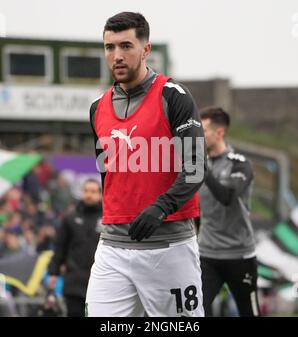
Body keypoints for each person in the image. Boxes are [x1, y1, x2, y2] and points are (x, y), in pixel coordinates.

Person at [86, 12, 206, 317]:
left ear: (146, 49)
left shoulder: (174, 97)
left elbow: (195, 166)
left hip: (169, 247)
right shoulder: (97, 108)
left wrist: (161, 206)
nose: (117, 56)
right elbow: (107, 174)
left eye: (126, 45)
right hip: (112, 247)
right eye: (109, 47)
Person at [198, 106, 260, 317]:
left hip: (239, 254)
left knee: (249, 313)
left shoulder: (240, 165)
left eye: (203, 130)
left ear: (220, 132)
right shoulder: (197, 167)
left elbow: (227, 197)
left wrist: (203, 170)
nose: (199, 136)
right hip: (206, 255)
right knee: (195, 313)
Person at [48, 179, 102, 317]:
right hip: (74, 281)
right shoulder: (70, 218)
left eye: (93, 191)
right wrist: (53, 273)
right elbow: (60, 247)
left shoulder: (107, 218)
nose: (89, 195)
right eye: (86, 191)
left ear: (100, 195)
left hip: (100, 281)